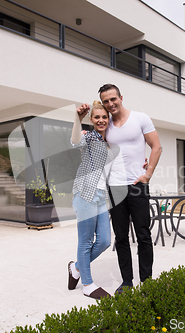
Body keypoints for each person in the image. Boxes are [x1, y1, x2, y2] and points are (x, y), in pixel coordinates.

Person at [100, 83, 161, 294]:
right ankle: (127, 281)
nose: (110, 104)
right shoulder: (105, 124)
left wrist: (148, 174)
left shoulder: (140, 118)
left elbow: (156, 146)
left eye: (112, 99)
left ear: (121, 97)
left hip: (137, 186)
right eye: (106, 101)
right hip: (115, 187)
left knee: (143, 234)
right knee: (121, 237)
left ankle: (147, 281)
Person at [68, 101, 114, 300]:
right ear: (91, 120)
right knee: (85, 242)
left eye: (104, 117)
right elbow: (75, 142)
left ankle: (76, 267)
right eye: (97, 117)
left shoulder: (109, 141)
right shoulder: (89, 137)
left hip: (101, 196)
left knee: (104, 241)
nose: (101, 120)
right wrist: (77, 119)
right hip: (86, 193)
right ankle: (87, 283)